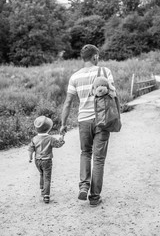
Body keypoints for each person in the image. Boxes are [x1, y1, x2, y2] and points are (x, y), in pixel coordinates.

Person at [60, 44, 115, 207]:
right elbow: (113, 93)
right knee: (98, 159)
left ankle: (84, 185)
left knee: (85, 153)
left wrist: (63, 124)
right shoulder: (105, 72)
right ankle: (95, 197)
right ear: (95, 57)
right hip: (102, 120)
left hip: (83, 120)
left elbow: (68, 102)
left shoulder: (74, 77)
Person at [28, 115, 65, 204]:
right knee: (47, 177)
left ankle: (42, 189)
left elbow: (31, 149)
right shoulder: (50, 138)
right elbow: (58, 145)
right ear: (49, 128)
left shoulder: (34, 138)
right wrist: (62, 138)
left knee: (41, 173)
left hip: (37, 160)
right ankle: (46, 195)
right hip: (47, 160)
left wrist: (30, 158)